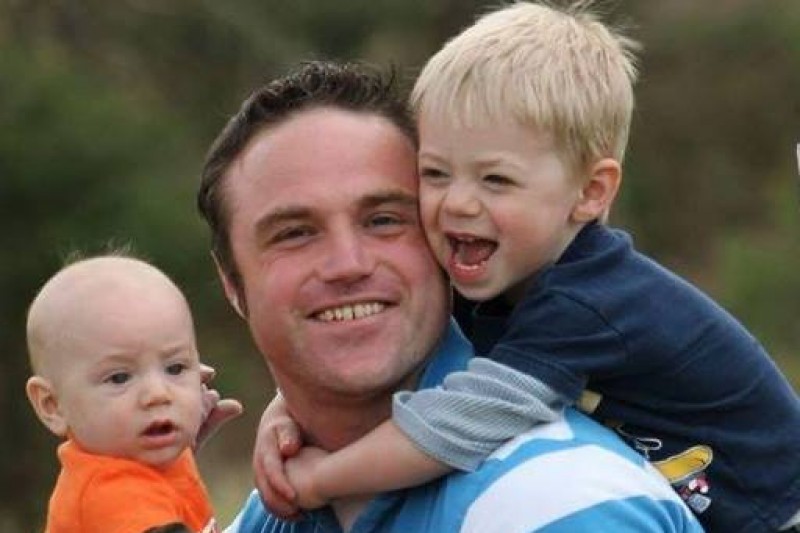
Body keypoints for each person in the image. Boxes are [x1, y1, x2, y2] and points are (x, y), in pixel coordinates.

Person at [251, 3, 800, 532]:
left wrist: (321, 479)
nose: (457, 203)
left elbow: (458, 426)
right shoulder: (502, 274)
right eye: (436, 174)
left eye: (496, 180)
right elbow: (392, 349)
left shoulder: (589, 301)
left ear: (590, 192)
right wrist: (289, 413)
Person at [196, 59, 702, 532]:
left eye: (384, 220)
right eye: (294, 233)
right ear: (231, 282)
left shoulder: (551, 502)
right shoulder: (274, 510)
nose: (348, 264)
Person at [25, 254, 225, 533]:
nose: (158, 394)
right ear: (53, 405)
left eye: (175, 368)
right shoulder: (109, 494)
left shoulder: (143, 455)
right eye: (119, 378)